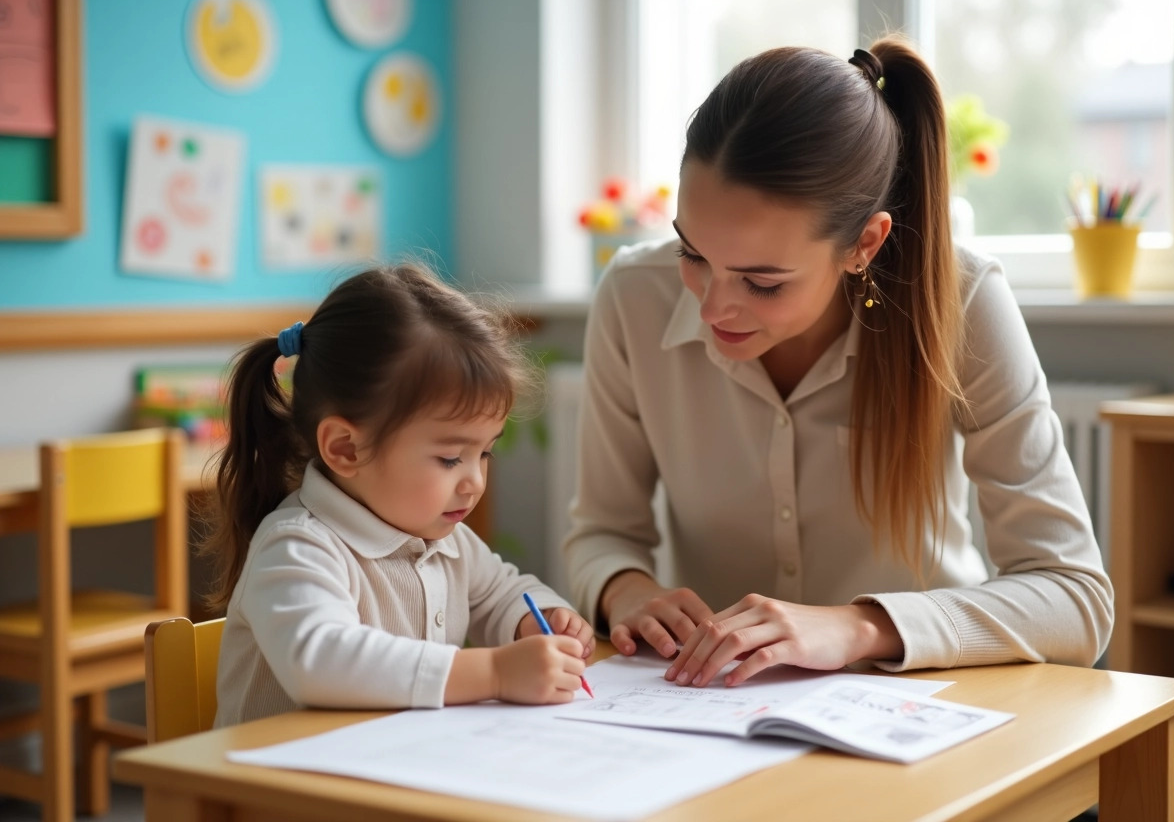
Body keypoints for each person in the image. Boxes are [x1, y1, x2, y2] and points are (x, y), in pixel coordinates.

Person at [564, 36, 1113, 689]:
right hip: (713, 713)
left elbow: (1075, 598)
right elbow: (600, 532)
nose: (712, 307)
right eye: (692, 254)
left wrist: (857, 626)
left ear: (864, 244)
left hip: (923, 703)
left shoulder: (960, 302)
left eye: (762, 282)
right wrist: (625, 590)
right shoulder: (633, 296)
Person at [203, 264, 594, 728]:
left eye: (485, 453)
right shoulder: (297, 546)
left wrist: (542, 616)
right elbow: (321, 660)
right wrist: (492, 671)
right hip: (276, 789)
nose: (474, 482)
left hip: (385, 772)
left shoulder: (447, 543)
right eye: (450, 459)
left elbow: (503, 592)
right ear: (346, 448)